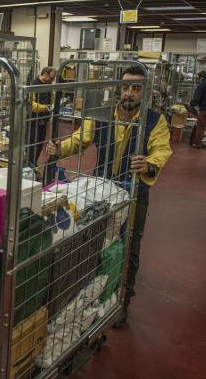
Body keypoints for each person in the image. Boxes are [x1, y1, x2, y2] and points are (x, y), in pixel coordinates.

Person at [46, 65, 173, 327]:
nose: (129, 93)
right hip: (101, 191)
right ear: (119, 89)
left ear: (145, 92)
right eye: (126, 87)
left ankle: (123, 300)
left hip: (135, 193)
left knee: (130, 246)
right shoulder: (101, 115)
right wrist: (58, 148)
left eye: (136, 88)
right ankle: (95, 296)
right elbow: (80, 139)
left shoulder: (154, 120)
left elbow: (162, 150)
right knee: (97, 241)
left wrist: (148, 163)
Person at [28, 67, 56, 166]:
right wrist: (44, 108)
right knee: (32, 143)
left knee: (40, 143)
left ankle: (34, 164)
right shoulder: (34, 85)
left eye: (53, 79)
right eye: (51, 78)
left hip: (43, 120)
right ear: (44, 74)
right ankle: (29, 164)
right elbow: (31, 105)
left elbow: (51, 98)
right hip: (33, 120)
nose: (52, 81)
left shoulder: (48, 85)